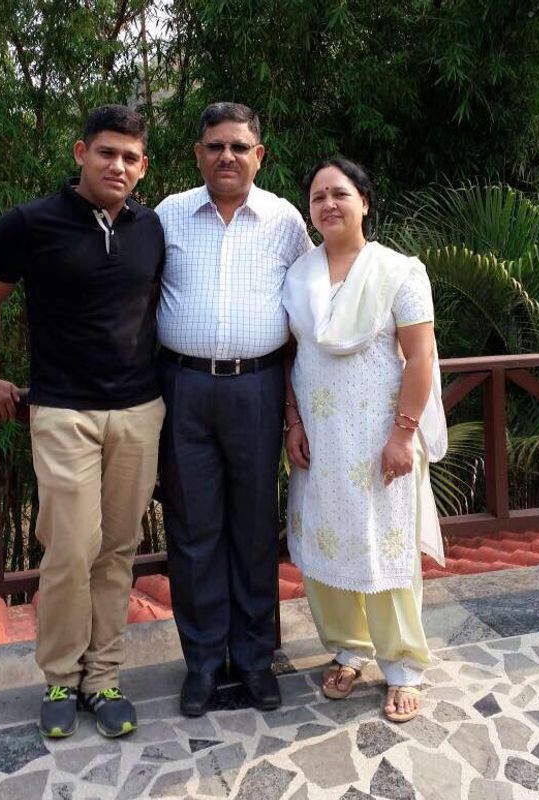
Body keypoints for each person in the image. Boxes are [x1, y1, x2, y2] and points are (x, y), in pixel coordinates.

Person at [0, 105, 165, 739]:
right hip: (63, 411)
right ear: (81, 153)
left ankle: (103, 678)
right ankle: (59, 675)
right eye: (107, 152)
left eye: (130, 157)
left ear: (143, 168)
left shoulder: (151, 228)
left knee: (117, 551)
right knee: (70, 550)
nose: (118, 166)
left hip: (139, 410)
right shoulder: (28, 223)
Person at [156, 102, 313, 716]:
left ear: (259, 156)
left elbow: (313, 301)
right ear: (199, 154)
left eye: (239, 146)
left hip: (258, 387)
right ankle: (201, 664)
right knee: (192, 530)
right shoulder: (168, 213)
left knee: (252, 527)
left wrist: (297, 410)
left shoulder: (285, 220)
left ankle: (253, 660)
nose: (227, 156)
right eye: (216, 146)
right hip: (184, 388)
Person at [282, 157, 447, 723]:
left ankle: (402, 665)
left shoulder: (399, 271)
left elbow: (420, 357)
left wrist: (403, 435)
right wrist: (293, 422)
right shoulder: (299, 275)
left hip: (381, 437)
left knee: (384, 546)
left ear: (365, 202)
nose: (328, 204)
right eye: (318, 197)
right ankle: (348, 650)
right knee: (325, 542)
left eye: (340, 194)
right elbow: (291, 355)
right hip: (319, 437)